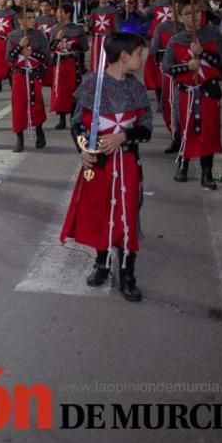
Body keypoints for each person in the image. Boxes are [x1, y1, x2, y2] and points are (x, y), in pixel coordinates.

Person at [60, 32, 151, 302]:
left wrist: (123, 136)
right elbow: (77, 124)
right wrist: (82, 149)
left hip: (127, 164)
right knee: (100, 213)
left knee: (126, 217)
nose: (143, 59)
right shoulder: (92, 84)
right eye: (139, 54)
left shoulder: (136, 88)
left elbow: (146, 128)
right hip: (99, 164)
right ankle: (101, 264)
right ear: (124, 56)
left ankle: (127, 273)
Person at [162, 2, 222, 189]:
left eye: (197, 12)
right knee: (186, 129)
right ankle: (183, 165)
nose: (194, 16)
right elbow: (167, 68)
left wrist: (203, 52)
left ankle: (207, 173)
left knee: (209, 131)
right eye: (188, 13)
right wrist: (187, 67)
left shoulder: (213, 35)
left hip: (208, 91)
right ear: (181, 18)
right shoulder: (176, 40)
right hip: (186, 93)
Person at [7, 9, 50, 152]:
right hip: (19, 76)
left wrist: (32, 53)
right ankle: (19, 137)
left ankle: (39, 131)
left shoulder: (39, 35)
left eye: (34, 17)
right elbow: (9, 58)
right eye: (29, 18)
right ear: (20, 20)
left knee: (36, 104)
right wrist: (19, 46)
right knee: (19, 107)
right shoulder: (13, 36)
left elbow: (46, 57)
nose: (33, 20)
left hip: (33, 75)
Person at [49, 4, 86, 130]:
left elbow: (84, 47)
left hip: (72, 63)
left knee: (73, 90)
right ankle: (62, 118)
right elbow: (50, 47)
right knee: (60, 91)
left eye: (60, 12)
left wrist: (73, 47)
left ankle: (73, 118)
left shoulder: (77, 29)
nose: (57, 15)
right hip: (59, 64)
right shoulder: (54, 29)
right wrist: (57, 39)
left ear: (68, 14)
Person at [87, 0, 118, 72]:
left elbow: (116, 25)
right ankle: (96, 74)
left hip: (108, 38)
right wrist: (87, 26)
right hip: (97, 38)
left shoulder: (113, 10)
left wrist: (116, 36)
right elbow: (91, 24)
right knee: (96, 58)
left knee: (108, 57)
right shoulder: (94, 11)